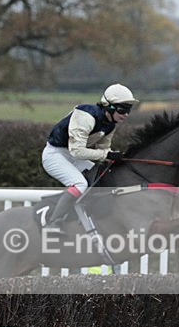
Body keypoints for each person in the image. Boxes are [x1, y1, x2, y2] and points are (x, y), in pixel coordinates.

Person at [41, 83, 139, 233]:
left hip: (71, 155)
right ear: (109, 107)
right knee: (80, 184)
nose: (125, 114)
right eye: (122, 110)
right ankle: (53, 222)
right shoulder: (86, 116)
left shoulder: (110, 124)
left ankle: (90, 215)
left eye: (128, 110)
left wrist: (116, 156)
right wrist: (107, 155)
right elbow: (77, 151)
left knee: (102, 175)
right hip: (54, 155)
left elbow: (103, 150)